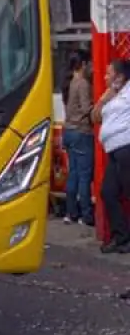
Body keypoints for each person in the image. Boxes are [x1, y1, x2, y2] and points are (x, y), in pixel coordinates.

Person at [94, 59, 130, 254]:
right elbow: (95, 116)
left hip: (126, 147)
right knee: (108, 192)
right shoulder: (113, 95)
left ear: (120, 76)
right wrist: (104, 97)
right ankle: (121, 237)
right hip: (113, 151)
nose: (105, 77)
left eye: (109, 73)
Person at [62, 52, 96, 226]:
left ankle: (70, 213)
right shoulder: (82, 83)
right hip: (81, 132)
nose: (92, 68)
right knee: (84, 176)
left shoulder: (68, 83)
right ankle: (86, 215)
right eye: (89, 64)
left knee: (73, 174)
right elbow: (86, 108)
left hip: (68, 131)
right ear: (83, 64)